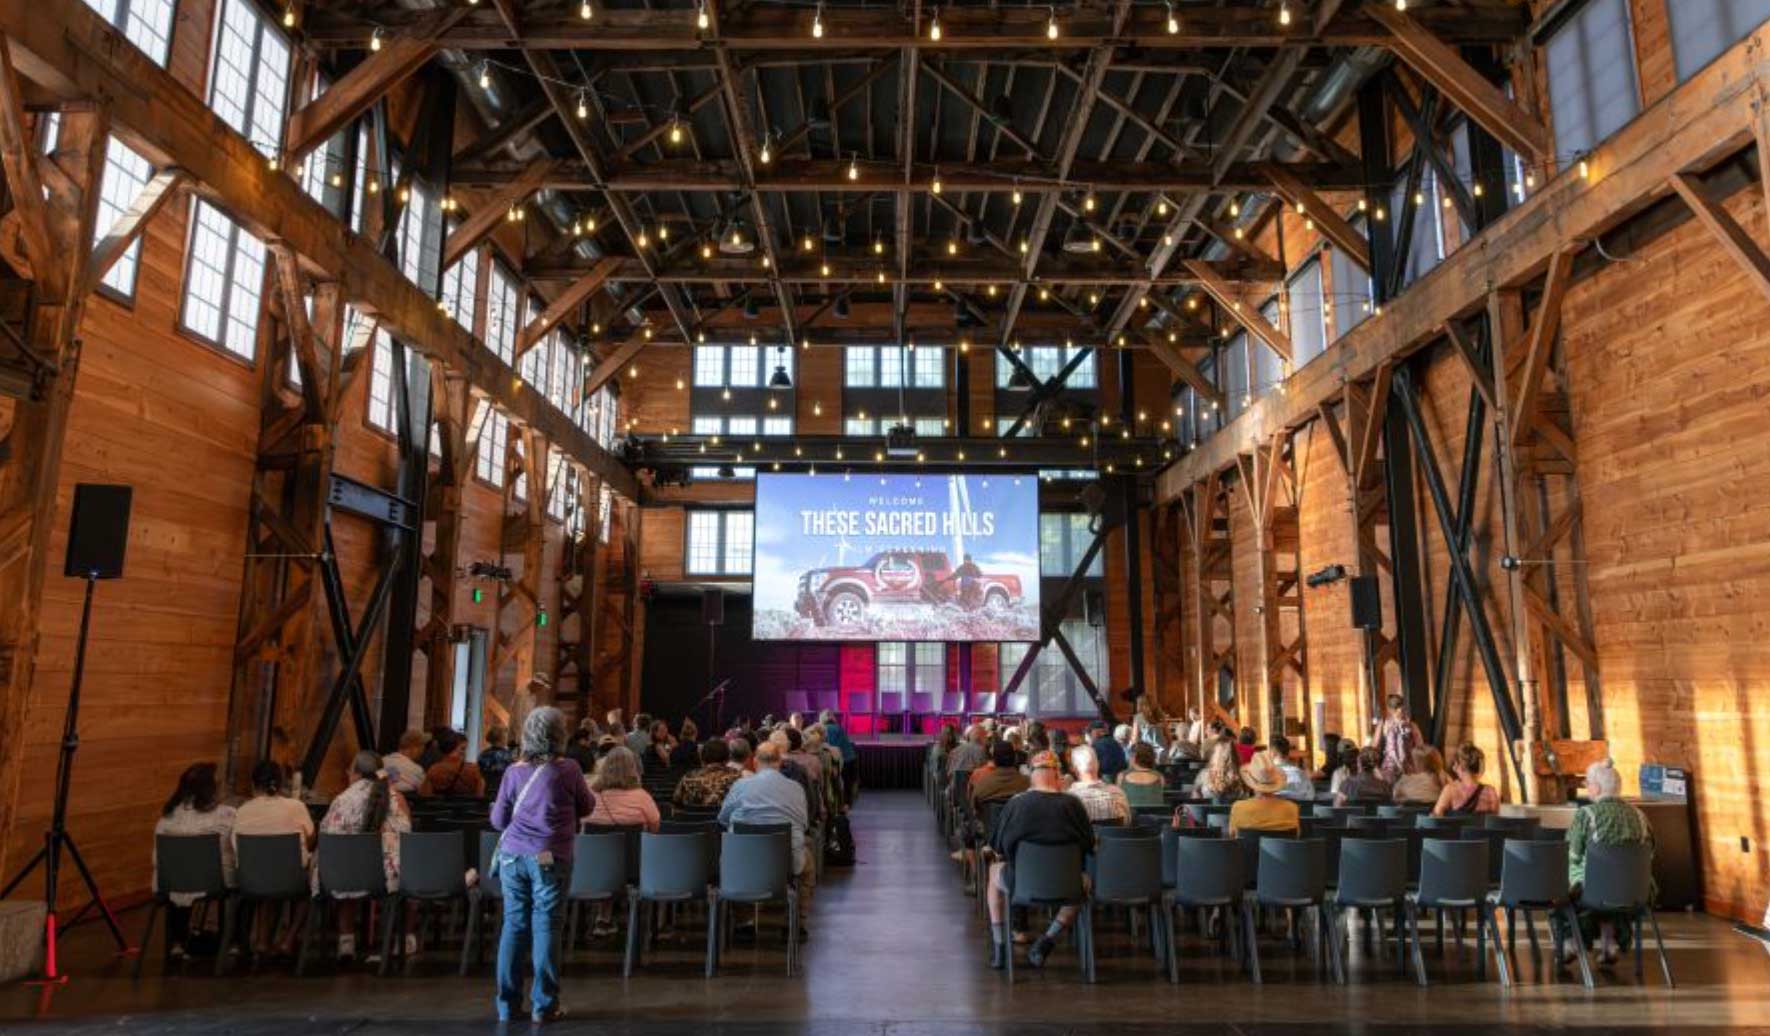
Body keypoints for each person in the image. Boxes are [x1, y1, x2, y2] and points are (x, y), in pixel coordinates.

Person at [490, 706, 594, 1024]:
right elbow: (588, 806)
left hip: (511, 857)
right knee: (546, 925)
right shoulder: (569, 770)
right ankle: (544, 1005)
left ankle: (507, 1006)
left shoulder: (513, 772)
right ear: (560, 735)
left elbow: (497, 821)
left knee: (514, 925)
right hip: (549, 857)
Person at [984, 751, 1094, 970]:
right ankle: (1047, 939)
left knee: (994, 872)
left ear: (1032, 775)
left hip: (1021, 883)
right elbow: (1089, 845)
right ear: (1057, 774)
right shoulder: (1074, 805)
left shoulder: (1016, 804)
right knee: (1083, 886)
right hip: (1066, 884)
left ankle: (999, 946)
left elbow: (998, 846)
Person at [1555, 759, 1655, 965]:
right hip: (1637, 893)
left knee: (1573, 880)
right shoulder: (1640, 816)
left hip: (1596, 892)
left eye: (1588, 784)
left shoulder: (1587, 815)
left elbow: (1573, 854)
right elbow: (1651, 853)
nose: (1587, 788)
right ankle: (1609, 941)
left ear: (1597, 787)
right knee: (1612, 885)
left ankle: (1573, 940)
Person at [316, 751, 412, 963]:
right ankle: (398, 939)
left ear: (356, 773)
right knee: (405, 869)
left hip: (341, 877)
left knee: (347, 865)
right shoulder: (397, 799)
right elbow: (406, 837)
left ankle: (346, 940)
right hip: (383, 880)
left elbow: (326, 834)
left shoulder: (340, 800)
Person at [719, 741, 814, 934]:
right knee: (807, 866)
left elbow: (722, 818)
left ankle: (744, 922)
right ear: (779, 763)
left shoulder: (740, 786)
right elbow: (804, 823)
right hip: (785, 862)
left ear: (754, 762)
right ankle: (796, 923)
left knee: (736, 850)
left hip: (743, 862)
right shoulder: (795, 788)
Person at [232, 759, 315, 958]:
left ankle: (262, 940)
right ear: (281, 784)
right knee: (310, 882)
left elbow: (234, 846)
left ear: (253, 784)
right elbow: (311, 839)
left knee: (267, 871)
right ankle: (289, 938)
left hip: (251, 881)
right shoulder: (296, 807)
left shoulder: (242, 811)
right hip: (289, 879)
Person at [153, 763, 236, 958]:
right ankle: (234, 941)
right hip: (209, 883)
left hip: (170, 884)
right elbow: (235, 848)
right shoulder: (227, 814)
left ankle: (178, 941)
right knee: (238, 881)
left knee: (182, 876)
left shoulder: (166, 817)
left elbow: (156, 859)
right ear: (211, 788)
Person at [584, 746, 661, 831]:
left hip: (596, 844)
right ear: (632, 768)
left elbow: (583, 822)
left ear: (605, 767)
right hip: (633, 844)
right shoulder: (642, 797)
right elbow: (655, 827)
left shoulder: (590, 796)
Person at [1228, 751, 1301, 836]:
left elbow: (1232, 836)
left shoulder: (1238, 808)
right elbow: (1297, 836)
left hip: (1247, 849)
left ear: (1251, 782)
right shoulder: (1291, 808)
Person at [1065, 744, 1129, 825]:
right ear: (1098, 764)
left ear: (1074, 768)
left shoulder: (1069, 799)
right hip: (1114, 837)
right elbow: (1127, 824)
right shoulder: (1118, 794)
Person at [1432, 742, 1501, 817]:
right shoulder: (1490, 792)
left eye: (1454, 763)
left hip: (1457, 828)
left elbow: (1436, 817)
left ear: (1460, 765)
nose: (1453, 767)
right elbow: (1494, 821)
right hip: (1479, 828)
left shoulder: (1450, 790)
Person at [673, 738, 742, 808]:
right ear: (727, 759)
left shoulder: (688, 778)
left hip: (692, 818)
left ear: (702, 758)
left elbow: (676, 802)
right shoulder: (737, 777)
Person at [421, 729, 486, 798]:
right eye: (463, 749)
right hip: (466, 808)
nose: (464, 752)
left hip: (440, 808)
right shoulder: (472, 769)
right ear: (454, 748)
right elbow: (479, 795)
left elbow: (425, 795)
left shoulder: (434, 770)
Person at [970, 739, 1031, 807]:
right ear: (1015, 758)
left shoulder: (982, 784)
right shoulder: (1028, 784)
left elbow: (974, 806)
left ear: (994, 760)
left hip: (990, 816)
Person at [820, 710, 859, 804]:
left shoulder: (827, 729)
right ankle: (847, 803)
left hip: (843, 760)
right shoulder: (838, 728)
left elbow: (833, 747)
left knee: (841, 784)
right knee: (848, 783)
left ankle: (843, 804)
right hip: (850, 758)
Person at [1268, 734, 1314, 800]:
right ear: (1288, 752)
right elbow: (1310, 797)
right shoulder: (1301, 774)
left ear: (1272, 753)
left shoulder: (1266, 777)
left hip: (1274, 808)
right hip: (1299, 809)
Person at [1119, 742, 1166, 807]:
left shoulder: (1122, 776)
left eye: (1130, 755)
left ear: (1134, 757)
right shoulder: (1160, 777)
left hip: (1131, 816)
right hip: (1155, 815)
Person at [386, 730, 428, 795]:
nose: (423, 751)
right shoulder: (417, 770)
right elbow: (424, 792)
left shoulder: (382, 761)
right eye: (422, 746)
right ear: (415, 748)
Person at [479, 726, 516, 797]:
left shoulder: (483, 754)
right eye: (505, 736)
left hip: (487, 790)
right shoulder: (507, 755)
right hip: (503, 792)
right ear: (502, 738)